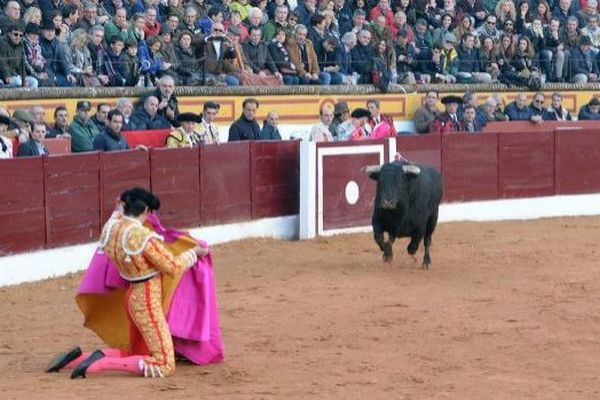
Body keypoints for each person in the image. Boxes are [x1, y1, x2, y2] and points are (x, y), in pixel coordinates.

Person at [46, 188, 210, 378]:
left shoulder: (111, 229)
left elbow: (117, 214)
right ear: (147, 210)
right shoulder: (143, 237)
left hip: (131, 297)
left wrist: (120, 206)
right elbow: (172, 266)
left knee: (135, 353)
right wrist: (194, 252)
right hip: (147, 300)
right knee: (165, 363)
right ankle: (98, 364)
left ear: (124, 206)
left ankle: (76, 358)